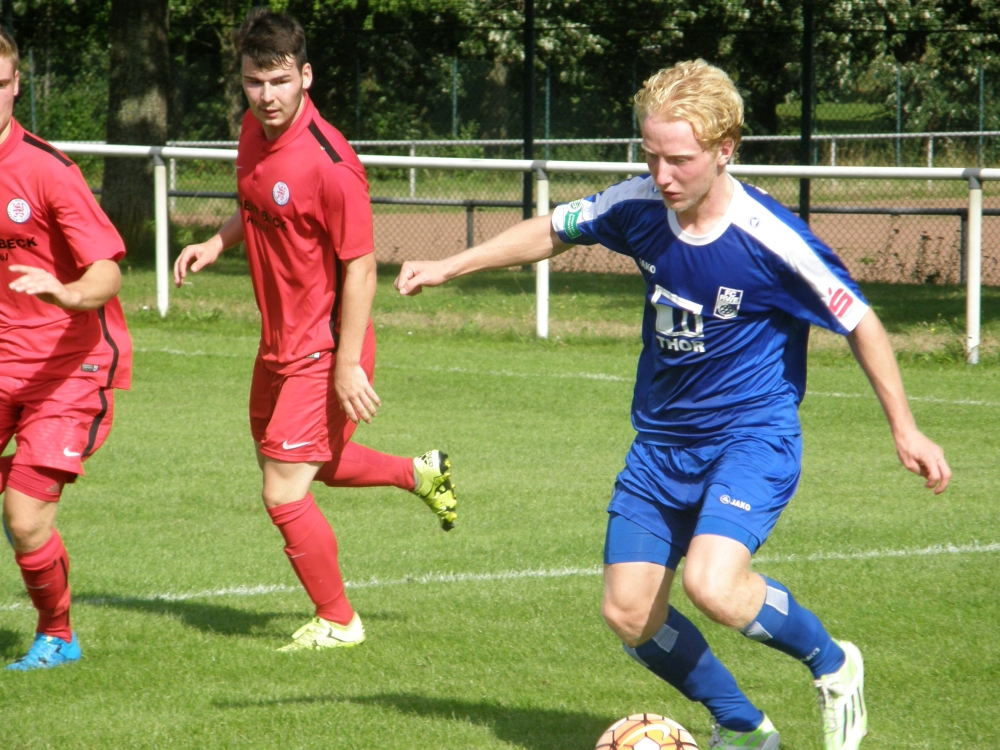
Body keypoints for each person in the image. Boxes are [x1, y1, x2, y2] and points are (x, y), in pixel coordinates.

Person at [394, 60, 950, 750]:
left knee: (713, 586)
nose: (662, 175)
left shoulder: (770, 239)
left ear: (725, 150)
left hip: (750, 438)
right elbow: (554, 229)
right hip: (659, 447)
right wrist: (449, 265)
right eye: (651, 155)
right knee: (629, 613)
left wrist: (906, 429)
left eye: (679, 160)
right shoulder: (637, 206)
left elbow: (860, 320)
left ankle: (834, 663)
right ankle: (744, 728)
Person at [173, 8, 457, 653]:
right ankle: (419, 474)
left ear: (305, 76)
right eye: (254, 82)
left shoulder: (332, 164)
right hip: (277, 343)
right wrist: (217, 242)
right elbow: (257, 202)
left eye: (279, 81)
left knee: (282, 490)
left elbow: (361, 267)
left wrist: (346, 363)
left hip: (325, 346)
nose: (266, 96)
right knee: (307, 465)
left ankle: (338, 620)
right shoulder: (253, 130)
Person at [0, 27, 133, 671]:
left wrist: (68, 292)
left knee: (25, 517)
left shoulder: (47, 170)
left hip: (69, 367)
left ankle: (58, 635)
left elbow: (108, 269)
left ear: (15, 85)